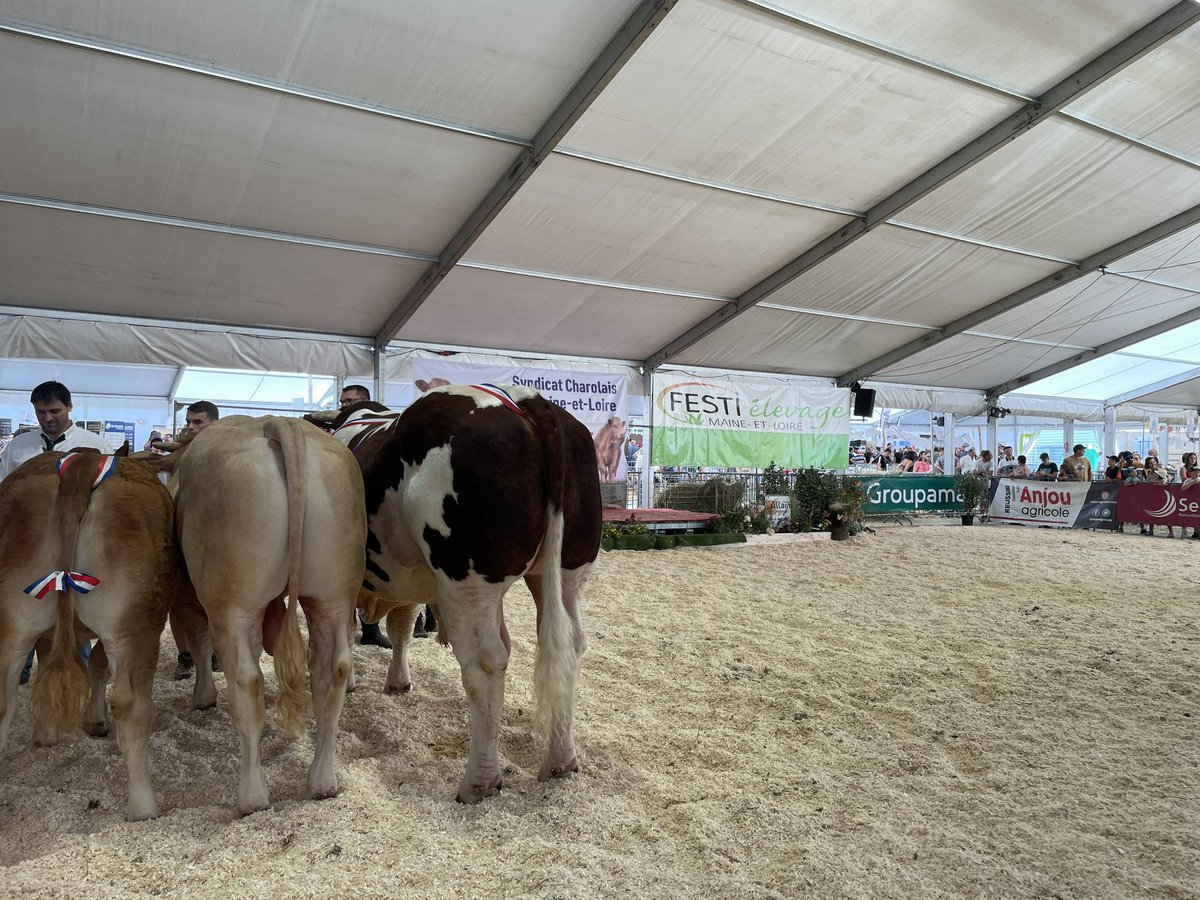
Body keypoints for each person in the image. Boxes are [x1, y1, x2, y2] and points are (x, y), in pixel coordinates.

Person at [5, 381, 110, 683]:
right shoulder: (18, 447)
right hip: (27, 545)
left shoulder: (96, 446)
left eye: (54, 411)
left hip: (77, 543)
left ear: (69, 407)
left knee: (75, 606)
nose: (48, 418)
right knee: (21, 606)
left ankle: (78, 674)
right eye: (41, 412)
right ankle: (20, 674)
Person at [172, 401, 222, 680]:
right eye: (189, 422)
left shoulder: (225, 454)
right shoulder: (179, 453)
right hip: (180, 535)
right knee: (179, 600)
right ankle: (185, 656)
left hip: (214, 541)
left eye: (198, 422)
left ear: (214, 423)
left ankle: (214, 653)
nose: (190, 427)